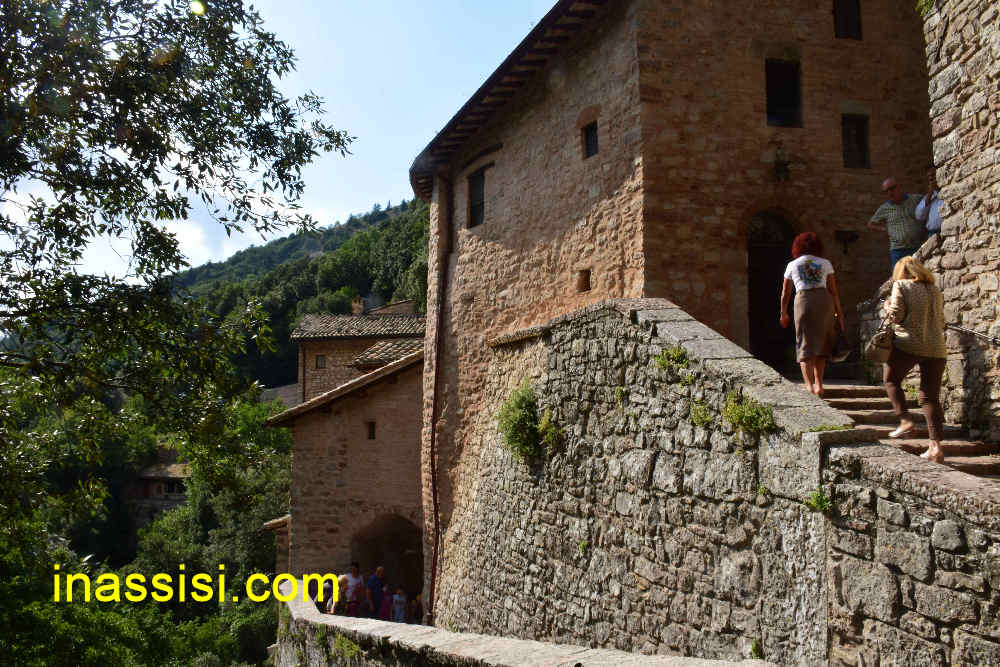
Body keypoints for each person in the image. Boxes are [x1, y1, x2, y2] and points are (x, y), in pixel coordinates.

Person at [882, 256, 947, 463]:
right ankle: (935, 448)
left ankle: (905, 420)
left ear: (901, 272)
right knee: (930, 398)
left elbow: (896, 316)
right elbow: (942, 320)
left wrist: (887, 307)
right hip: (936, 347)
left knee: (891, 380)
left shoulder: (901, 285)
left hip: (908, 344)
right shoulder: (935, 290)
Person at [779, 232, 845, 397]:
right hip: (824, 301)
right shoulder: (825, 263)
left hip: (804, 300)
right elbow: (833, 291)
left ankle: (809, 386)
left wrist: (783, 313)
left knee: (804, 343)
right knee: (822, 344)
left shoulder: (792, 265)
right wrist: (839, 313)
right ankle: (819, 385)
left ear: (797, 247)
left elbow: (785, 293)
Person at [867, 176, 925, 269]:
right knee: (900, 279)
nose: (890, 193)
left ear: (899, 187)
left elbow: (929, 204)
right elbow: (871, 224)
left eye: (892, 189)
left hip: (917, 246)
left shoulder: (915, 199)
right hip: (898, 251)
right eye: (886, 191)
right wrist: (885, 229)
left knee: (920, 277)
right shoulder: (885, 208)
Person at [915, 165, 942, 237]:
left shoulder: (948, 192)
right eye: (929, 177)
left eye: (933, 175)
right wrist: (930, 194)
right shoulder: (929, 197)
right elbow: (919, 216)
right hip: (933, 234)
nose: (931, 178)